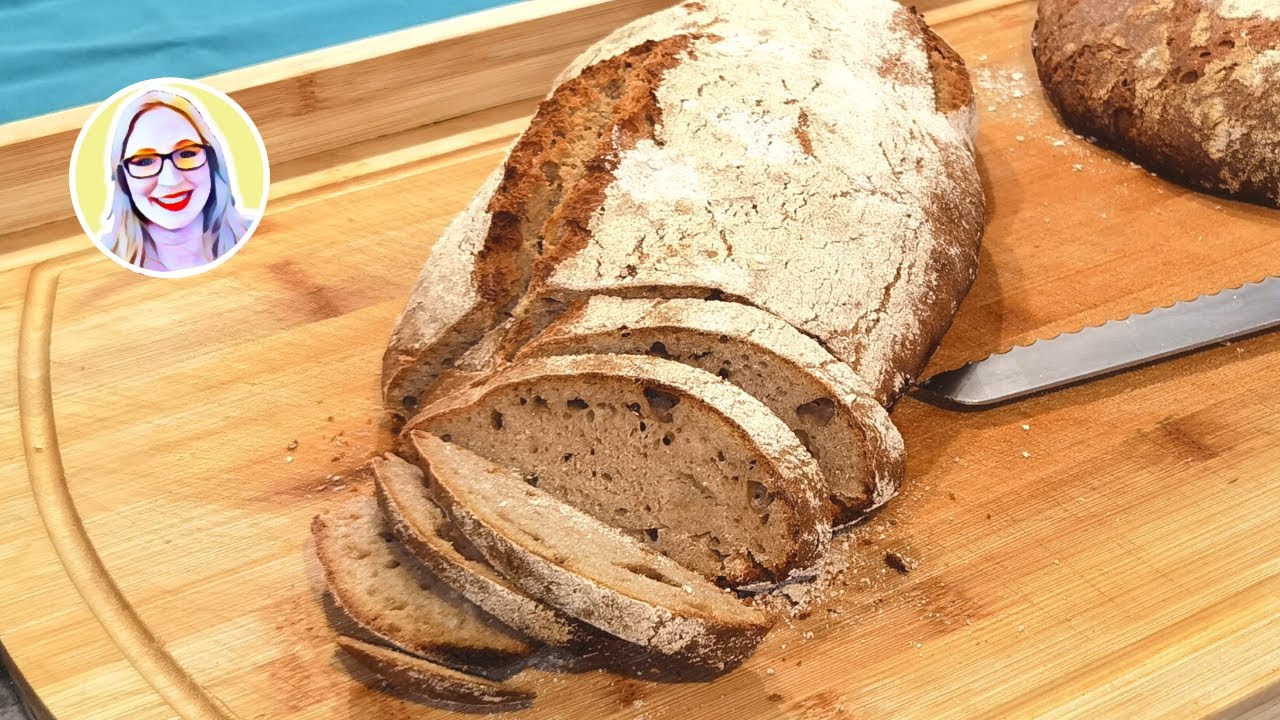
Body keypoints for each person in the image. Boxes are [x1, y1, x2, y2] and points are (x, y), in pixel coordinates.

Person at [100, 89, 253, 272]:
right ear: (122, 177)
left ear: (212, 161)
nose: (171, 180)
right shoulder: (102, 260)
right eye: (145, 161)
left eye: (187, 153)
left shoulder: (257, 234)